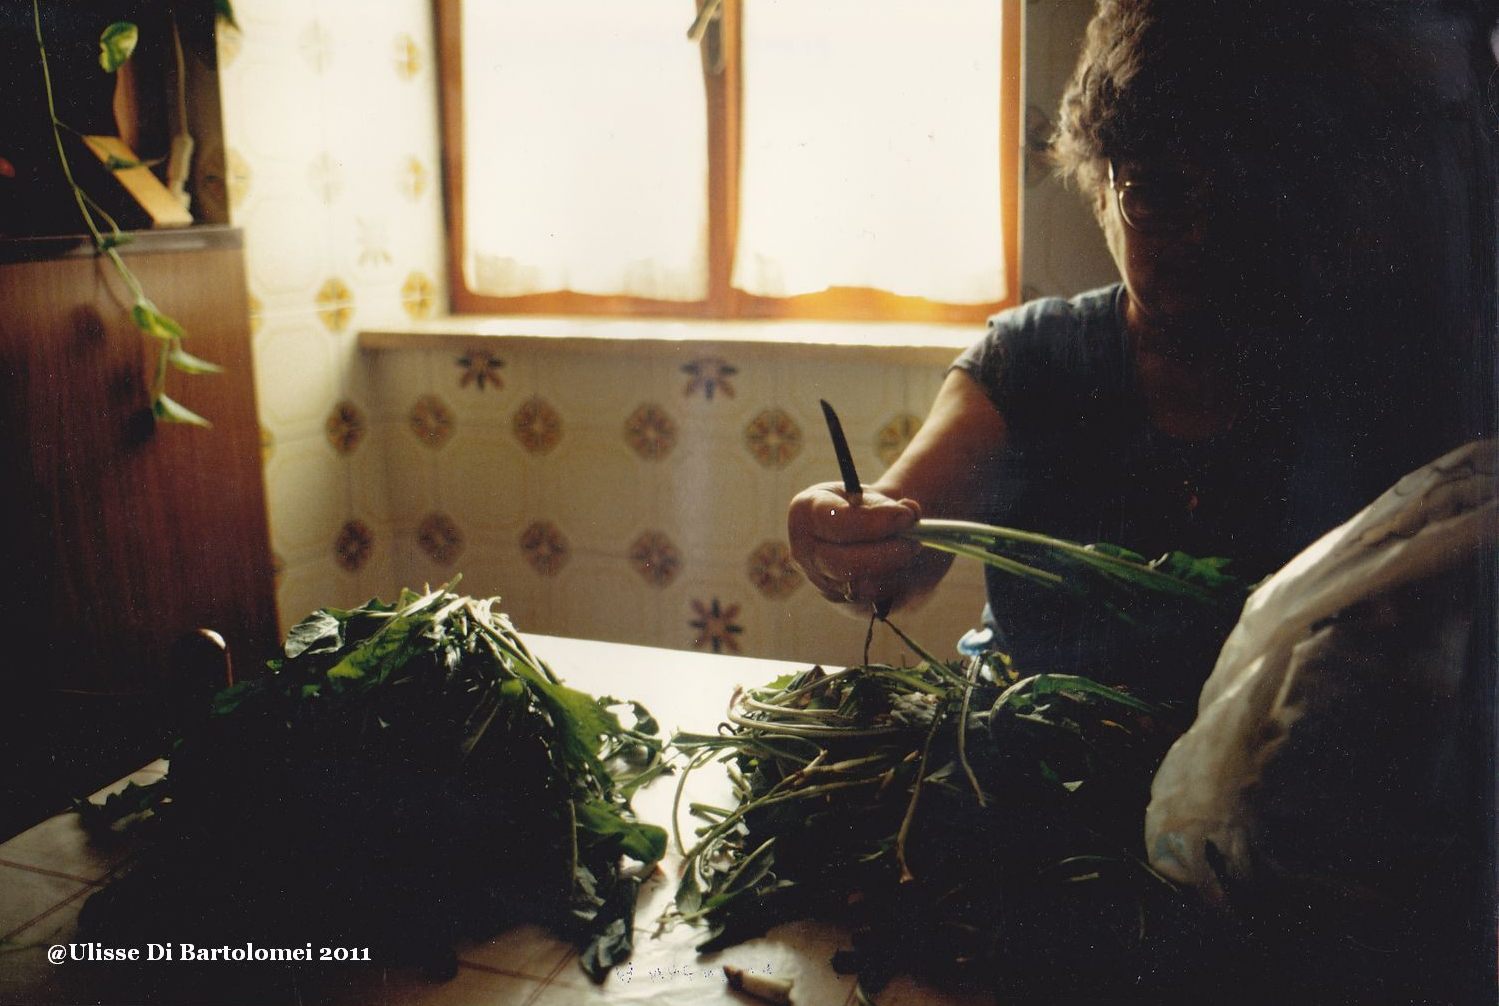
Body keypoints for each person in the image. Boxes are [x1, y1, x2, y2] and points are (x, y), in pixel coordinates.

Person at [788, 0, 1496, 679]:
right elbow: (897, 566)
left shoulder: (1359, 373)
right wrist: (843, 545)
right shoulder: (1033, 362)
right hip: (1025, 760)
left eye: (1237, 197)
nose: (1201, 236)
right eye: (1155, 194)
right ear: (1100, 195)